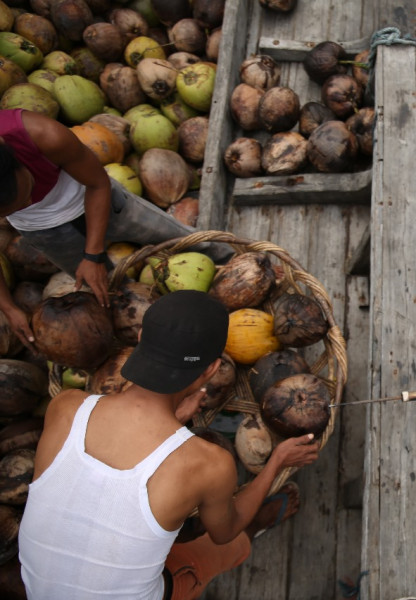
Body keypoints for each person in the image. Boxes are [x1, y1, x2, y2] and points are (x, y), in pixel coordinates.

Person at [18, 290, 320, 600]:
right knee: (231, 545)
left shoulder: (66, 407)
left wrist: (172, 419)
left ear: (141, 336)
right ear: (211, 370)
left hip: (38, 590)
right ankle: (259, 524)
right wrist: (275, 463)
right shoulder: (209, 463)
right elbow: (223, 532)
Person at [0, 108, 229, 350]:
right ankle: (176, 333)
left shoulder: (43, 135)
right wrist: (8, 307)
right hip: (45, 233)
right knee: (114, 295)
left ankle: (240, 260)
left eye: (26, 196)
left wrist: (93, 253)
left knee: (183, 239)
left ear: (17, 164)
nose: (29, 203)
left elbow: (98, 183)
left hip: (99, 199)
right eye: (11, 211)